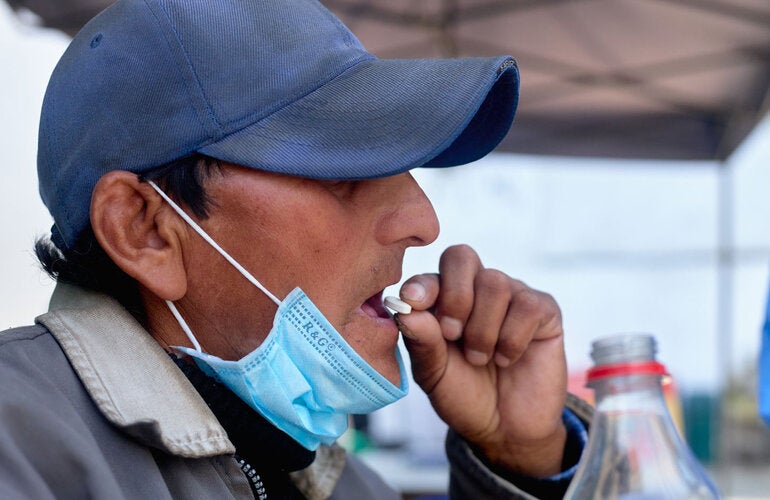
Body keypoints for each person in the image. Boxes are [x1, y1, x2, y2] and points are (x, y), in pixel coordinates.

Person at [0, 0, 591, 498]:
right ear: (145, 230)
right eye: (339, 171)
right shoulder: (19, 445)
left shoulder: (339, 481)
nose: (422, 222)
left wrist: (519, 463)